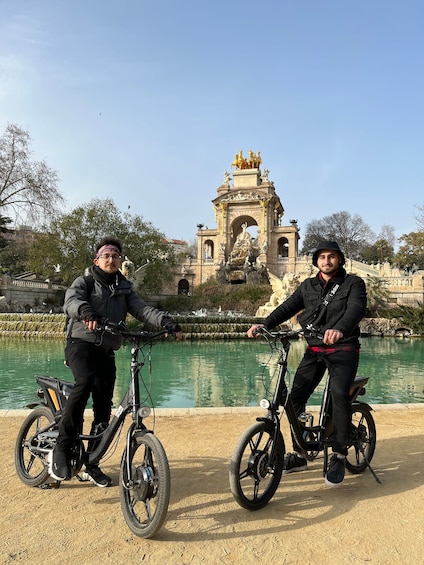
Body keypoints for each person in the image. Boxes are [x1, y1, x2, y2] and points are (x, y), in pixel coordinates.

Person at [50, 236, 182, 486]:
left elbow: (142, 310)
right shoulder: (85, 282)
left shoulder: (124, 288)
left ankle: (92, 463)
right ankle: (62, 446)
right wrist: (85, 311)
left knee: (103, 406)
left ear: (120, 261)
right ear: (97, 260)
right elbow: (71, 302)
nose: (111, 259)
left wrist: (165, 321)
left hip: (107, 349)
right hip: (81, 344)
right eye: (106, 255)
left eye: (115, 256)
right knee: (84, 383)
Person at [247, 241, 367, 488]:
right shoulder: (308, 286)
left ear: (340, 259)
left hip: (343, 348)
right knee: (294, 399)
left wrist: (340, 329)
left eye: (331, 256)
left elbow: (356, 310)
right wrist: (265, 324)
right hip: (314, 349)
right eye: (322, 257)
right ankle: (300, 454)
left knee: (339, 394)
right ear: (316, 262)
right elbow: (288, 307)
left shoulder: (353, 284)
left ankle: (339, 453)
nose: (326, 261)